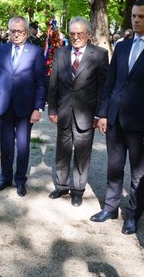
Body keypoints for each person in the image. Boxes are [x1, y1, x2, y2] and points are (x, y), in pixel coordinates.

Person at [90, 0, 144, 235]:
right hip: (116, 119)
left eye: (142, 16)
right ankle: (110, 207)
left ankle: (133, 215)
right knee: (114, 166)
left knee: (138, 173)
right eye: (134, 16)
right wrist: (103, 113)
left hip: (142, 124)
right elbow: (110, 83)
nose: (136, 20)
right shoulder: (122, 46)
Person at [47, 17, 109, 207]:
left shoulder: (99, 54)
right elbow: (53, 83)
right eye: (72, 34)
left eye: (79, 34)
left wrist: (100, 114)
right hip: (64, 112)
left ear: (88, 35)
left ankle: (78, 190)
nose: (75, 37)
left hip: (87, 114)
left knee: (82, 154)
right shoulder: (60, 53)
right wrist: (52, 109)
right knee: (62, 151)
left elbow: (103, 87)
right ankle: (61, 185)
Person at [0, 16, 47, 197]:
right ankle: (5, 177)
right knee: (6, 145)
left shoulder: (36, 52)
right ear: (8, 32)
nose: (16, 35)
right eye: (13, 31)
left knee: (23, 146)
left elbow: (41, 83)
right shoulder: (1, 50)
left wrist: (38, 108)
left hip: (26, 108)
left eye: (20, 31)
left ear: (27, 32)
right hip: (4, 105)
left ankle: (20, 180)